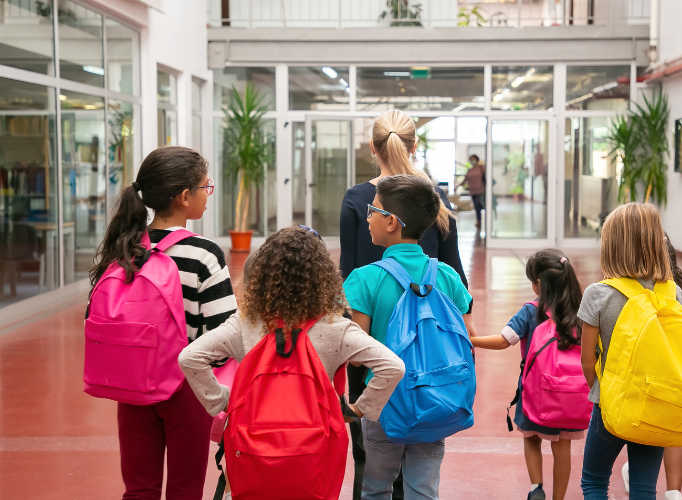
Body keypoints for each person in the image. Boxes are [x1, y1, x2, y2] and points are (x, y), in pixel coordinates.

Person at [177, 225, 406, 499]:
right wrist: (359, 409)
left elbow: (190, 358)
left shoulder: (245, 324)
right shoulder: (336, 328)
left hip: (251, 451)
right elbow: (393, 367)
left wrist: (224, 402)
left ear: (262, 274)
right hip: (313, 455)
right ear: (322, 277)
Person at [89, 146, 237, 500]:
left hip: (132, 386)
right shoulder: (204, 253)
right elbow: (224, 336)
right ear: (185, 197)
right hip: (186, 389)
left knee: (139, 488)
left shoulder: (123, 246)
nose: (208, 194)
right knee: (185, 489)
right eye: (206, 187)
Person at [339, 109, 473, 500]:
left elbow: (348, 269)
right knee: (423, 471)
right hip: (431, 368)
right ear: (415, 146)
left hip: (375, 345)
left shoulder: (359, 200)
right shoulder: (434, 199)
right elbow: (456, 277)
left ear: (372, 148)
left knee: (373, 463)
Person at [578, 203, 682, 500]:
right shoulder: (673, 292)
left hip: (611, 404)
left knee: (594, 482)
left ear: (611, 246)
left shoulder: (599, 294)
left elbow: (587, 358)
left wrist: (599, 390)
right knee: (644, 487)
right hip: (656, 404)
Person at [468, 248, 586, 500]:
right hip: (571, 394)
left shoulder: (531, 311)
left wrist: (473, 340)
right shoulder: (581, 311)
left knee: (531, 437)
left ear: (539, 285)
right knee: (561, 445)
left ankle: (536, 488)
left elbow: (503, 341)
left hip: (536, 391)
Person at [621, 233, 682, 500]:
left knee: (642, 431)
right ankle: (674, 491)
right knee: (671, 434)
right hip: (676, 375)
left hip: (644, 378)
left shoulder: (633, 291)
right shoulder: (677, 292)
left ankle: (636, 471)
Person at [456, 154, 486, 229]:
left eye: (473, 159)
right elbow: (465, 180)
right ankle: (479, 220)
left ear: (477, 160)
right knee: (476, 207)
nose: (472, 161)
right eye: (470, 159)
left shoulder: (482, 168)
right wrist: (457, 187)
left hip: (481, 191)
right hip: (473, 191)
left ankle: (481, 221)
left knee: (479, 205)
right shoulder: (470, 170)